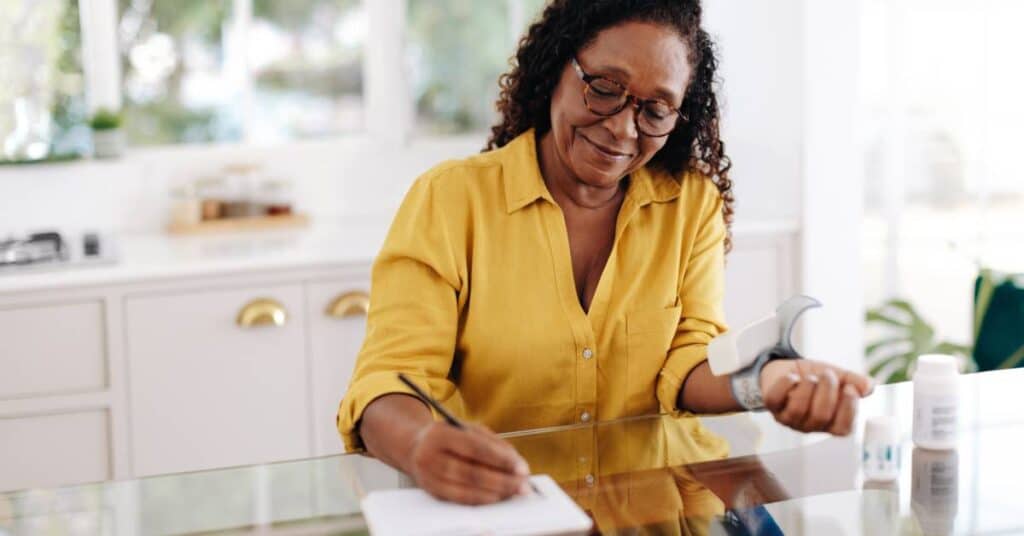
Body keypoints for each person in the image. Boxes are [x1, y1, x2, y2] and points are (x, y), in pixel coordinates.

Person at [337, 0, 873, 506]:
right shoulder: (452, 200)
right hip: (511, 510)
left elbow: (687, 360)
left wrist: (768, 383)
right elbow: (389, 378)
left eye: (656, 109)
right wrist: (417, 447)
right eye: (604, 87)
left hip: (658, 506)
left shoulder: (690, 205)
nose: (622, 128)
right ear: (556, 69)